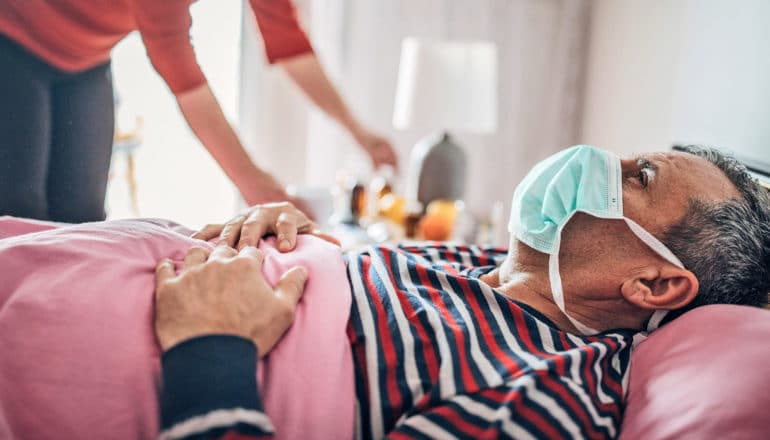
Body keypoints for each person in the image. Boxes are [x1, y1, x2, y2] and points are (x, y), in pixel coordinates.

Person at [152, 145, 770, 438]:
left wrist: (210, 349)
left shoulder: (540, 397)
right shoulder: (471, 261)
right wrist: (288, 232)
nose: (600, 159)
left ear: (653, 283)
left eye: (640, 176)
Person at [0, 0, 396, 222]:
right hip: (11, 37)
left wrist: (362, 134)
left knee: (81, 221)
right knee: (18, 215)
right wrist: (256, 185)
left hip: (86, 61)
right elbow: (184, 79)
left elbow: (288, 45)